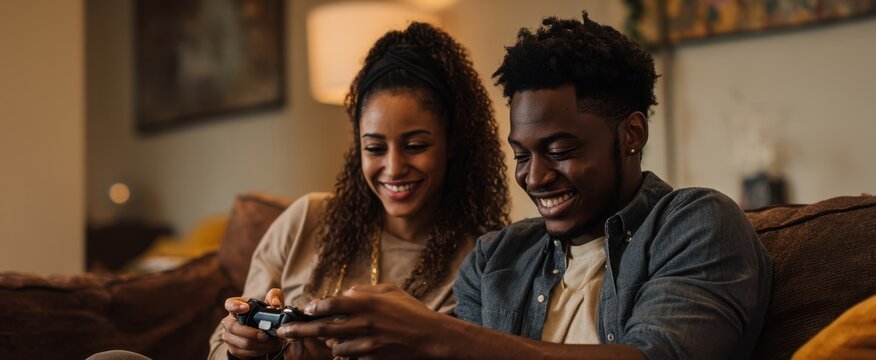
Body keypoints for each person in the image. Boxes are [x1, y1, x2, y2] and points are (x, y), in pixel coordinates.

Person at [278, 11, 773, 360]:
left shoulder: (695, 223)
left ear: (632, 134)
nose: (534, 178)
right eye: (521, 154)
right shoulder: (496, 259)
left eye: (559, 150)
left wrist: (438, 335)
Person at [208, 22, 510, 360]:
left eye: (415, 146)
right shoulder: (305, 220)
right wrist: (240, 348)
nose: (394, 168)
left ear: (452, 143)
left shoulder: (482, 262)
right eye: (375, 148)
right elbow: (219, 347)